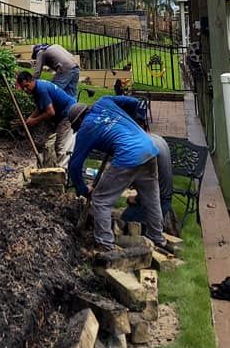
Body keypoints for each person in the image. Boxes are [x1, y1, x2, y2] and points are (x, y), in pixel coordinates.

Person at [68, 97, 170, 253]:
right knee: (151, 198)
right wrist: (127, 122)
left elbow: (74, 166)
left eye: (77, 126)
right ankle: (158, 238)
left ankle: (105, 245)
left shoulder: (86, 127)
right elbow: (133, 102)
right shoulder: (104, 102)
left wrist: (83, 190)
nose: (78, 129)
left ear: (79, 119)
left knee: (101, 200)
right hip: (148, 147)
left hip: (128, 155)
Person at [15, 70, 77, 168]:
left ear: (31, 80)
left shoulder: (41, 90)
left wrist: (34, 121)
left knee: (62, 145)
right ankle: (58, 170)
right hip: (64, 114)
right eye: (23, 88)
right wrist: (30, 118)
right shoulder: (37, 87)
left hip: (68, 114)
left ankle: (62, 174)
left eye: (26, 86)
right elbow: (41, 107)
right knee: (54, 144)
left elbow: (50, 112)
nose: (25, 90)